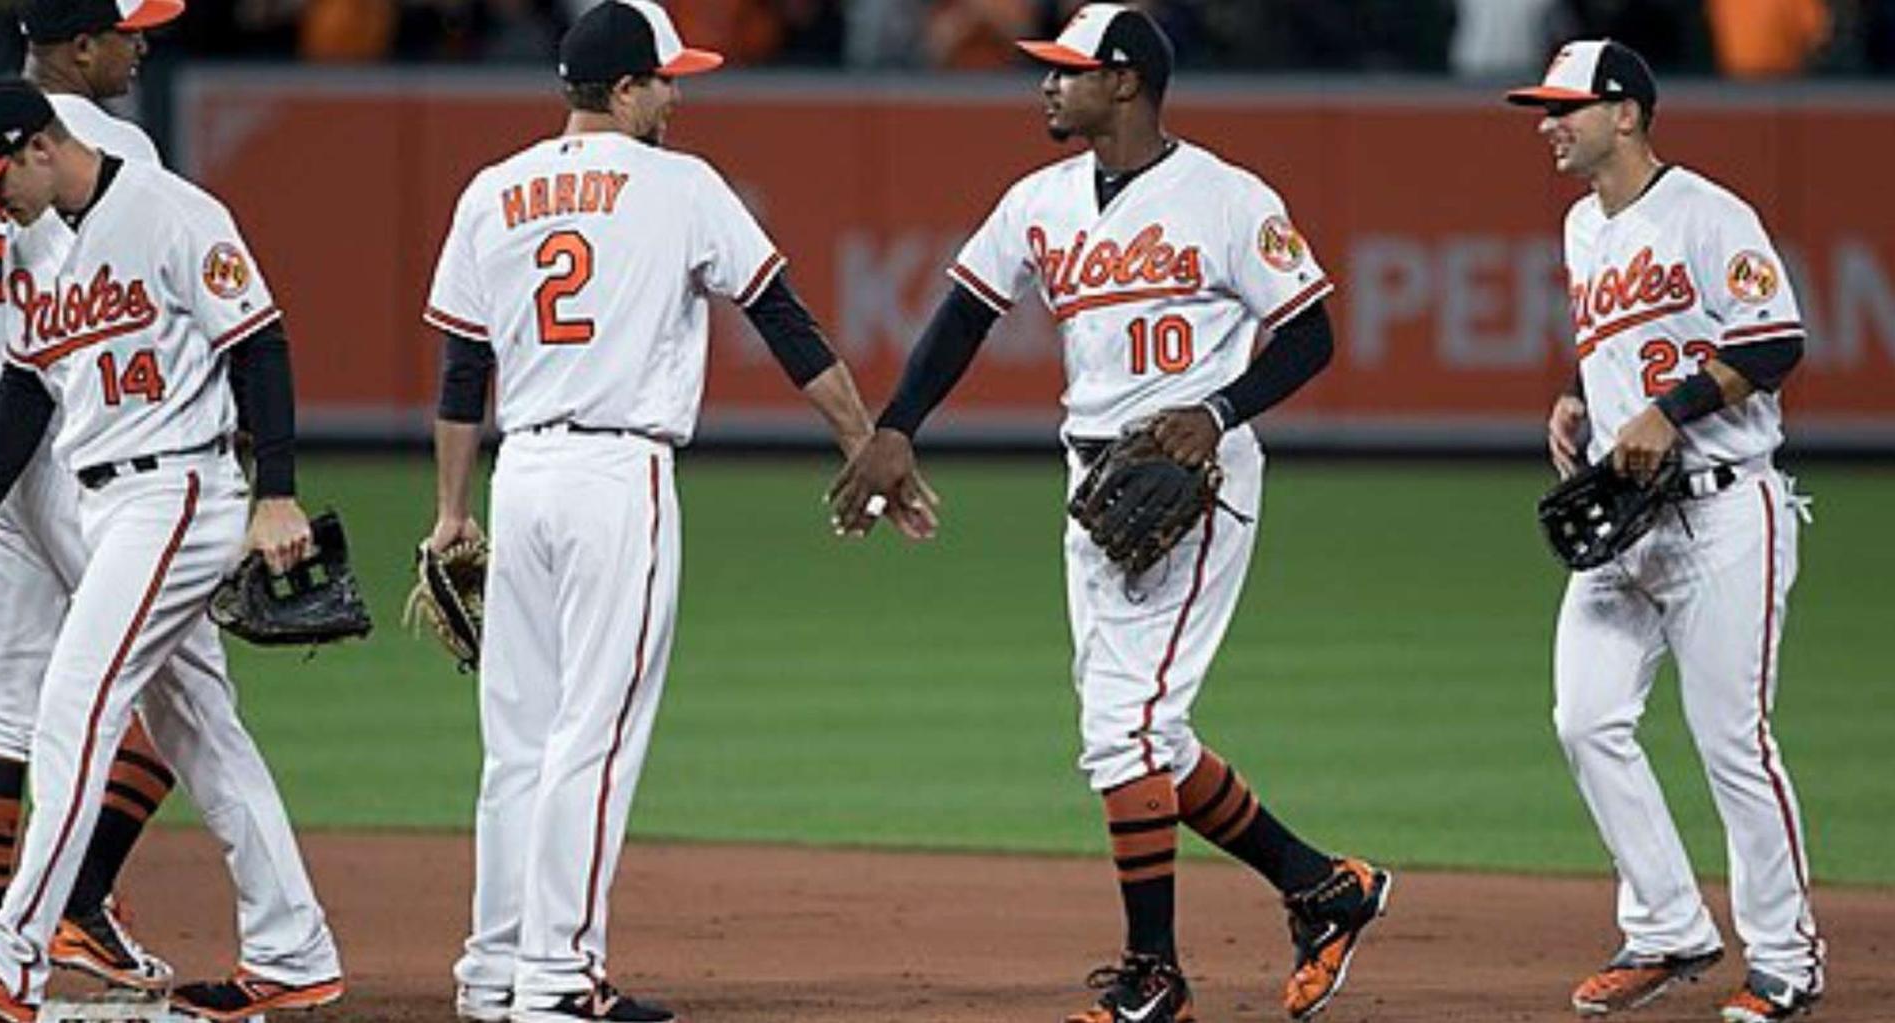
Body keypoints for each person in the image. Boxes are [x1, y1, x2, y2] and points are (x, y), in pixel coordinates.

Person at [828, 6, 1388, 1022]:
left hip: (1197, 487)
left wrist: (1219, 412)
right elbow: (963, 315)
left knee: (1121, 729)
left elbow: (1310, 337)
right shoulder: (1038, 200)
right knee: (1144, 735)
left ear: (1123, 81)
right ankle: (1322, 887)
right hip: (1094, 486)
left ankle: (1154, 974)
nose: (1045, 85)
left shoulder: (1224, 197)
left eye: (1066, 71)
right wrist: (897, 426)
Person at [422, 3, 929, 1021]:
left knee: (517, 738)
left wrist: (449, 513)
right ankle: (559, 982)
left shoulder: (492, 190)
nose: (676, 97)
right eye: (663, 81)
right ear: (621, 91)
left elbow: (462, 366)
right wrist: (859, 443)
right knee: (593, 736)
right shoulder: (679, 185)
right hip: (618, 477)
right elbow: (780, 318)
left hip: (519, 477)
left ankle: (493, 970)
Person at [0, 75, 344, 1023]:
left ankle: (10, 956)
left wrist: (278, 494)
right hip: (107, 498)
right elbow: (24, 383)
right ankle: (293, 948)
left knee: (74, 701)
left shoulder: (172, 211)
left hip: (179, 488)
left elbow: (260, 344)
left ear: (36, 147)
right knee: (205, 734)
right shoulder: (39, 242)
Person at [0, 0, 200, 1006]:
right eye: (126, 29)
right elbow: (147, 303)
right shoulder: (108, 146)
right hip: (75, 430)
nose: (138, 42)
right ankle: (82, 894)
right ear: (77, 47)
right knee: (181, 675)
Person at [1507, 39, 1824, 1023]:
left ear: (1626, 114)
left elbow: (1774, 341)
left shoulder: (1705, 211)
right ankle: (1666, 925)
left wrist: (1666, 411)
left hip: (1728, 508)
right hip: (1626, 518)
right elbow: (1619, 342)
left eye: (1565, 108)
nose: (1546, 124)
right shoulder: (1576, 225)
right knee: (1582, 717)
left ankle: (1784, 961)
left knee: (1731, 740)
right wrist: (1575, 394)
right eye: (1544, 108)